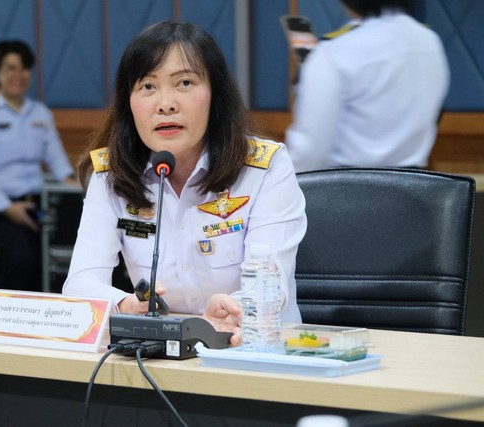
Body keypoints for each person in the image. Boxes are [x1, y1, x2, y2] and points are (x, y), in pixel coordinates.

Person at [62, 21, 307, 346]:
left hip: (253, 350)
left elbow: (270, 285)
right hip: (158, 355)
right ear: (128, 102)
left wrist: (231, 313)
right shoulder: (112, 174)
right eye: (148, 86)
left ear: (215, 95)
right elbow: (79, 283)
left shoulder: (264, 169)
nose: (166, 104)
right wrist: (124, 306)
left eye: (185, 83)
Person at [285, 0, 450, 172]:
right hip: (417, 181)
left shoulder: (334, 52)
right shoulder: (430, 41)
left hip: (350, 183)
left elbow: (309, 152)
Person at [0, 40, 76, 291]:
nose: (18, 75)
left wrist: (73, 185)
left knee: (62, 249)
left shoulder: (40, 113)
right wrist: (7, 208)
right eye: (10, 68)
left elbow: (57, 161)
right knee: (23, 257)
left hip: (36, 206)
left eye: (24, 68)